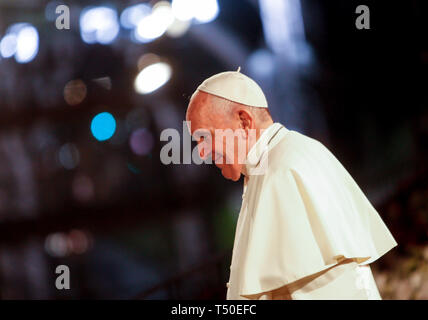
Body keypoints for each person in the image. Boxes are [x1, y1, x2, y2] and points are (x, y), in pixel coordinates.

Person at [185, 69, 397, 300]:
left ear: (244, 121)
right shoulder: (269, 167)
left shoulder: (284, 170)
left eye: (205, 137)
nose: (202, 152)